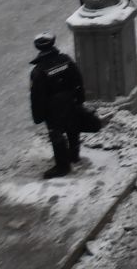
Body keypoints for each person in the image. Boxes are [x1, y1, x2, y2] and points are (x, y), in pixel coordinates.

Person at [30, 34, 87, 179]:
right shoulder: (65, 60)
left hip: (52, 109)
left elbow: (37, 96)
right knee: (72, 129)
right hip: (70, 101)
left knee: (57, 135)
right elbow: (78, 79)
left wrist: (38, 116)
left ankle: (62, 166)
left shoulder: (38, 71)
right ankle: (74, 155)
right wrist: (80, 98)